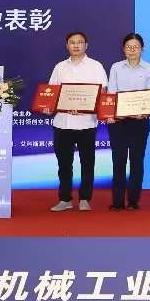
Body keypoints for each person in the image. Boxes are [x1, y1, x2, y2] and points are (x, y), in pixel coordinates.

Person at [48, 30, 107, 212]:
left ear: (86, 45)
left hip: (86, 123)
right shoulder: (60, 67)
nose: (76, 45)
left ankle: (85, 198)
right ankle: (65, 199)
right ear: (67, 45)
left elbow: (102, 92)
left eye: (80, 42)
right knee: (64, 164)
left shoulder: (96, 66)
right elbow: (52, 93)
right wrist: (59, 105)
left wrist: (84, 106)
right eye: (72, 42)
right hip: (62, 123)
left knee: (87, 163)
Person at [106, 32, 150, 211]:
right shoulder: (116, 67)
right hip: (119, 122)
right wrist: (112, 114)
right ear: (123, 49)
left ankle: (134, 200)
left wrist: (144, 112)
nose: (132, 50)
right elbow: (111, 93)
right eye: (129, 47)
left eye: (136, 47)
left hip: (139, 122)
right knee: (118, 160)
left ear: (142, 49)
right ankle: (117, 201)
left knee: (136, 161)